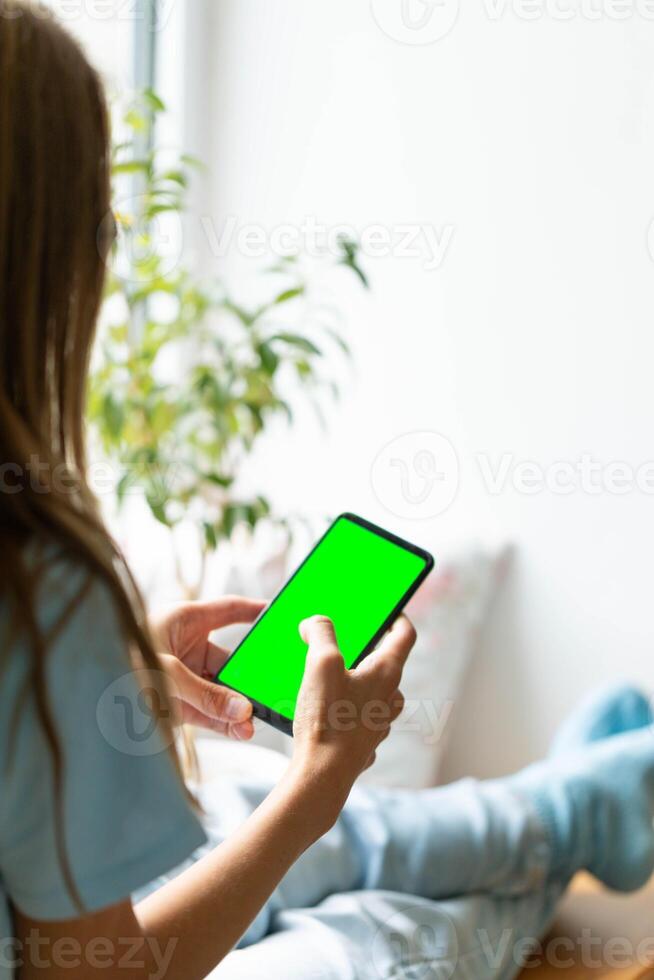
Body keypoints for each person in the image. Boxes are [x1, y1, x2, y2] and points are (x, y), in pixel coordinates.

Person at [1, 3, 653, 978]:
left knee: (316, 842)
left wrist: (96, 680)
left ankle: (575, 804)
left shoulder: (46, 598)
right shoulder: (41, 579)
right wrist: (316, 782)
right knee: (368, 939)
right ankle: (578, 810)